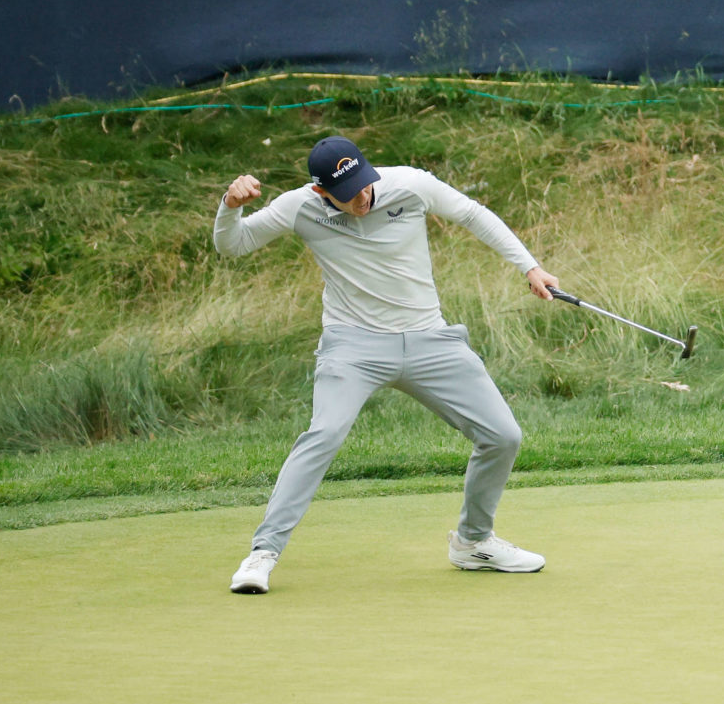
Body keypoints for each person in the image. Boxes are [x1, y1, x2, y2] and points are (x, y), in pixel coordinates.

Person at [215, 135, 558, 594]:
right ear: (320, 192)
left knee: (503, 435)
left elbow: (473, 214)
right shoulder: (299, 206)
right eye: (348, 192)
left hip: (429, 339)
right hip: (352, 347)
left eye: (364, 183)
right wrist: (230, 205)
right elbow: (232, 246)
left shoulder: (410, 185)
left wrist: (529, 266)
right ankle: (263, 553)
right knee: (325, 434)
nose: (362, 197)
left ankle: (474, 543)